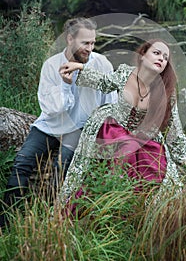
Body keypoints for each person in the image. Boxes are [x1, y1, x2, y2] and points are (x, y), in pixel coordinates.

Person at [58, 38, 186, 209]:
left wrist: (182, 157)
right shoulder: (125, 73)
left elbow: (173, 124)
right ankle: (99, 207)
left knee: (156, 174)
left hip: (145, 137)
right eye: (156, 53)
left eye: (165, 58)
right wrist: (80, 67)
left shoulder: (165, 90)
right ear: (143, 55)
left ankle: (137, 213)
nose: (161, 59)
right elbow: (104, 82)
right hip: (115, 128)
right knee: (120, 156)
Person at [0, 17, 117, 226]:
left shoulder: (102, 64)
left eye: (93, 43)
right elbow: (51, 109)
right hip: (50, 126)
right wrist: (65, 85)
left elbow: (110, 103)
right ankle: (6, 221)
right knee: (22, 162)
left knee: (62, 166)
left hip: (80, 127)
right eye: (85, 43)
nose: (90, 48)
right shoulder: (51, 65)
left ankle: (51, 221)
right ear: (70, 39)